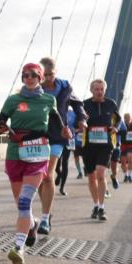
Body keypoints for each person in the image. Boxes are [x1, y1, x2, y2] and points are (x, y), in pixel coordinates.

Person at [0, 63, 69, 264]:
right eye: (25, 75)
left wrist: (65, 131)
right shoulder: (13, 100)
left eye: (34, 75)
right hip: (15, 153)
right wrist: (0, 128)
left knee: (26, 201)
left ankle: (19, 247)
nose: (29, 78)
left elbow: (57, 121)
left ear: (40, 77)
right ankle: (33, 224)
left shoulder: (48, 99)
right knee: (21, 204)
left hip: (38, 154)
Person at [36, 57, 86, 235]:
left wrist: (81, 119)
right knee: (40, 177)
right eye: (45, 75)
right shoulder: (34, 87)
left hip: (59, 134)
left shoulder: (65, 86)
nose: (48, 78)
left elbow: (77, 104)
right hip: (39, 134)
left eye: (51, 74)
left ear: (55, 72)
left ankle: (44, 218)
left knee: (48, 176)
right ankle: (46, 212)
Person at [80, 79, 121, 221]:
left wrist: (115, 127)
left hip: (106, 144)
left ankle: (102, 208)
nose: (99, 92)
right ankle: (96, 205)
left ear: (104, 90)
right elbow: (77, 120)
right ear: (91, 90)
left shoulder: (111, 104)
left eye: (101, 89)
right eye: (96, 89)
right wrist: (80, 124)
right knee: (91, 177)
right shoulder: (84, 104)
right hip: (88, 145)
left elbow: (118, 119)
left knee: (101, 173)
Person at [119, 113, 132, 182]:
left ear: (130, 118)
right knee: (123, 163)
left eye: (128, 117)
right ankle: (126, 175)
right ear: (124, 118)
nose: (127, 118)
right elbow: (117, 132)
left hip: (131, 144)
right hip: (123, 145)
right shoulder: (121, 125)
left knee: (130, 159)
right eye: (126, 117)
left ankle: (129, 174)